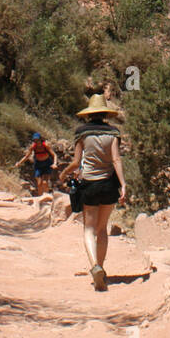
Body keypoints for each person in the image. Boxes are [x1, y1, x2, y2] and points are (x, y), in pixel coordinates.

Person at [58, 92, 126, 292]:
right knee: (102, 229)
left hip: (89, 185)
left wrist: (64, 174)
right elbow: (116, 160)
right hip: (109, 185)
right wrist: (123, 184)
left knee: (88, 228)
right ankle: (102, 269)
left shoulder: (82, 133)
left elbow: (76, 162)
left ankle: (94, 265)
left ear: (88, 114)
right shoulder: (113, 133)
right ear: (105, 113)